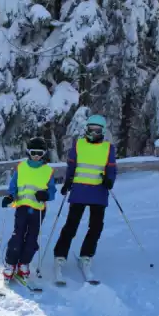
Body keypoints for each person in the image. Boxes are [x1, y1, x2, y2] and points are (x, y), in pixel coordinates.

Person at [53, 114, 117, 281]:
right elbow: (72, 166)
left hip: (98, 191)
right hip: (79, 191)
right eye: (91, 129)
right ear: (86, 129)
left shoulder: (108, 148)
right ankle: (60, 256)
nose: (93, 133)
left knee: (95, 227)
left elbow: (111, 168)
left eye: (97, 130)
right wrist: (67, 182)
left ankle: (86, 255)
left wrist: (109, 180)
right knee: (71, 225)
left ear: (102, 131)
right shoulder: (79, 144)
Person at [1, 137, 56, 279]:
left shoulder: (47, 171)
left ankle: (24, 263)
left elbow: (52, 192)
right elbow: (13, 186)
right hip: (22, 208)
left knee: (32, 237)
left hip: (38, 210)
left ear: (44, 154)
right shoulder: (21, 167)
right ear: (28, 153)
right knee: (18, 235)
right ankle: (11, 263)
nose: (36, 156)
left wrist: (46, 195)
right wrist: (10, 197)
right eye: (33, 153)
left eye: (40, 153)